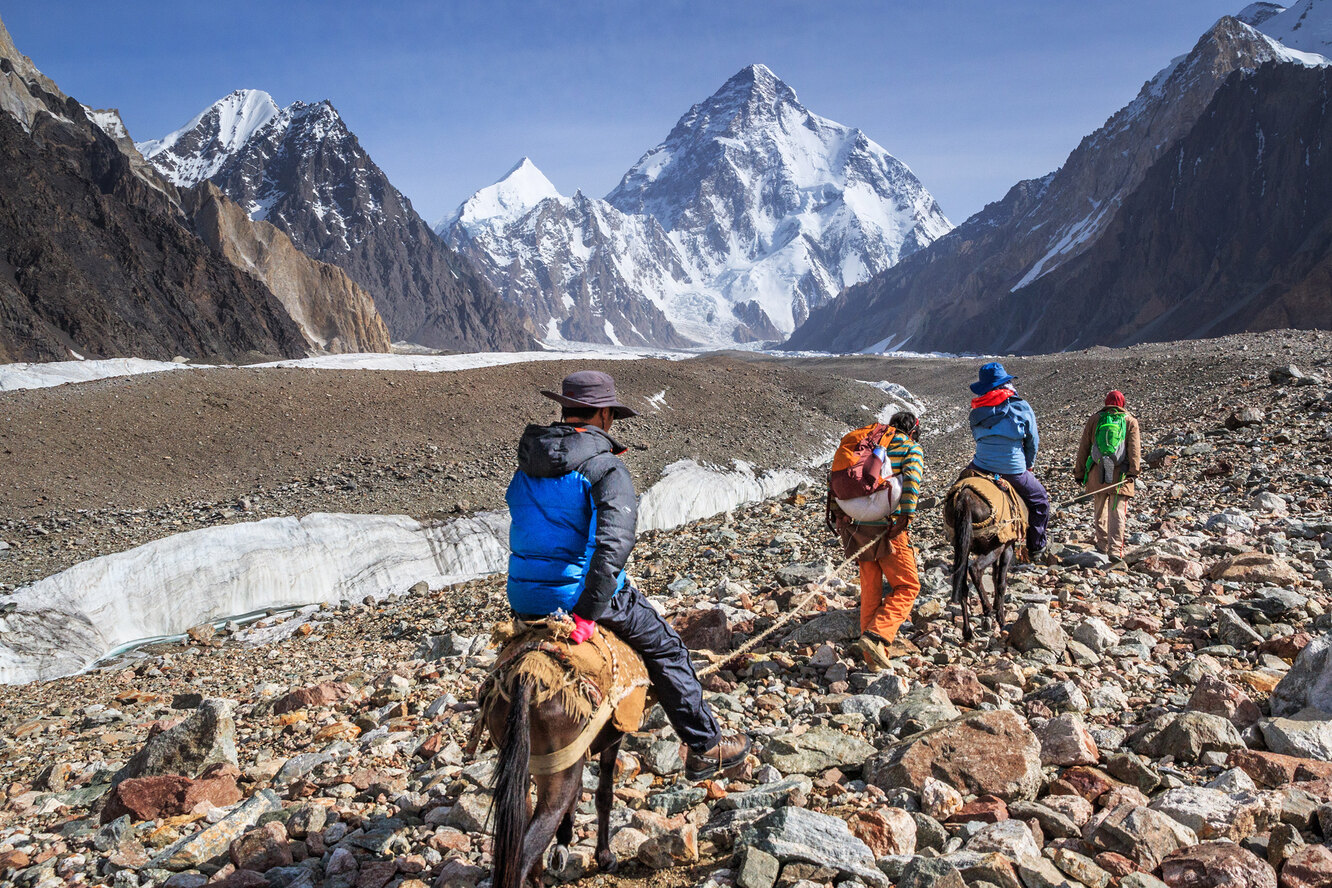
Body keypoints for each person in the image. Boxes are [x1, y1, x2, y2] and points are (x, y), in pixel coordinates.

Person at [505, 369, 750, 779]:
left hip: (525, 598)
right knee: (668, 648)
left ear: (566, 410)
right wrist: (584, 614)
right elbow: (612, 547)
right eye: (611, 415)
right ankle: (706, 746)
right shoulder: (604, 468)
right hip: (574, 599)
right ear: (603, 416)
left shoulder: (529, 463)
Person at [829, 412, 924, 669]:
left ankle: (871, 653)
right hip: (888, 526)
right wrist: (906, 515)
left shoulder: (868, 443)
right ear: (913, 431)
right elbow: (912, 481)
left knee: (870, 587)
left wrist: (839, 514)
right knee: (907, 586)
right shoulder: (910, 447)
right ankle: (877, 635)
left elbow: (838, 478)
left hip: (858, 526)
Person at [967, 362, 1049, 557]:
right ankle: (1036, 546)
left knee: (958, 490)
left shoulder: (976, 411)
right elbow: (1032, 441)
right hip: (1012, 469)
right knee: (1040, 502)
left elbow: (977, 437)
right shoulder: (1021, 407)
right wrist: (1028, 465)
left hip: (980, 466)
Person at [1075, 390, 1141, 559]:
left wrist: (1080, 472)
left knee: (1099, 509)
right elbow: (1134, 449)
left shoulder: (1095, 419)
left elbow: (1084, 447)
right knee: (1117, 511)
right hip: (1121, 475)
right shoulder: (1130, 421)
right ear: (1123, 404)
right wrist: (1133, 472)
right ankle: (1115, 550)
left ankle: (1102, 545)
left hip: (1098, 472)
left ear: (1106, 402)